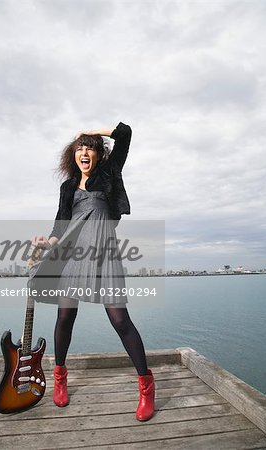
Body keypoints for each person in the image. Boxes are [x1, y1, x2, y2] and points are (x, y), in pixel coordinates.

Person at [31, 122, 155, 421]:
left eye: (89, 148)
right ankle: (60, 377)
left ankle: (146, 386)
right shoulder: (67, 188)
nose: (84, 152)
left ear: (98, 154)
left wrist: (87, 130)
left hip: (104, 255)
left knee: (120, 320)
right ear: (72, 156)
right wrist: (46, 243)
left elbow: (124, 133)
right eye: (79, 148)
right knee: (65, 317)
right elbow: (60, 227)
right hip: (73, 256)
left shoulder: (108, 174)